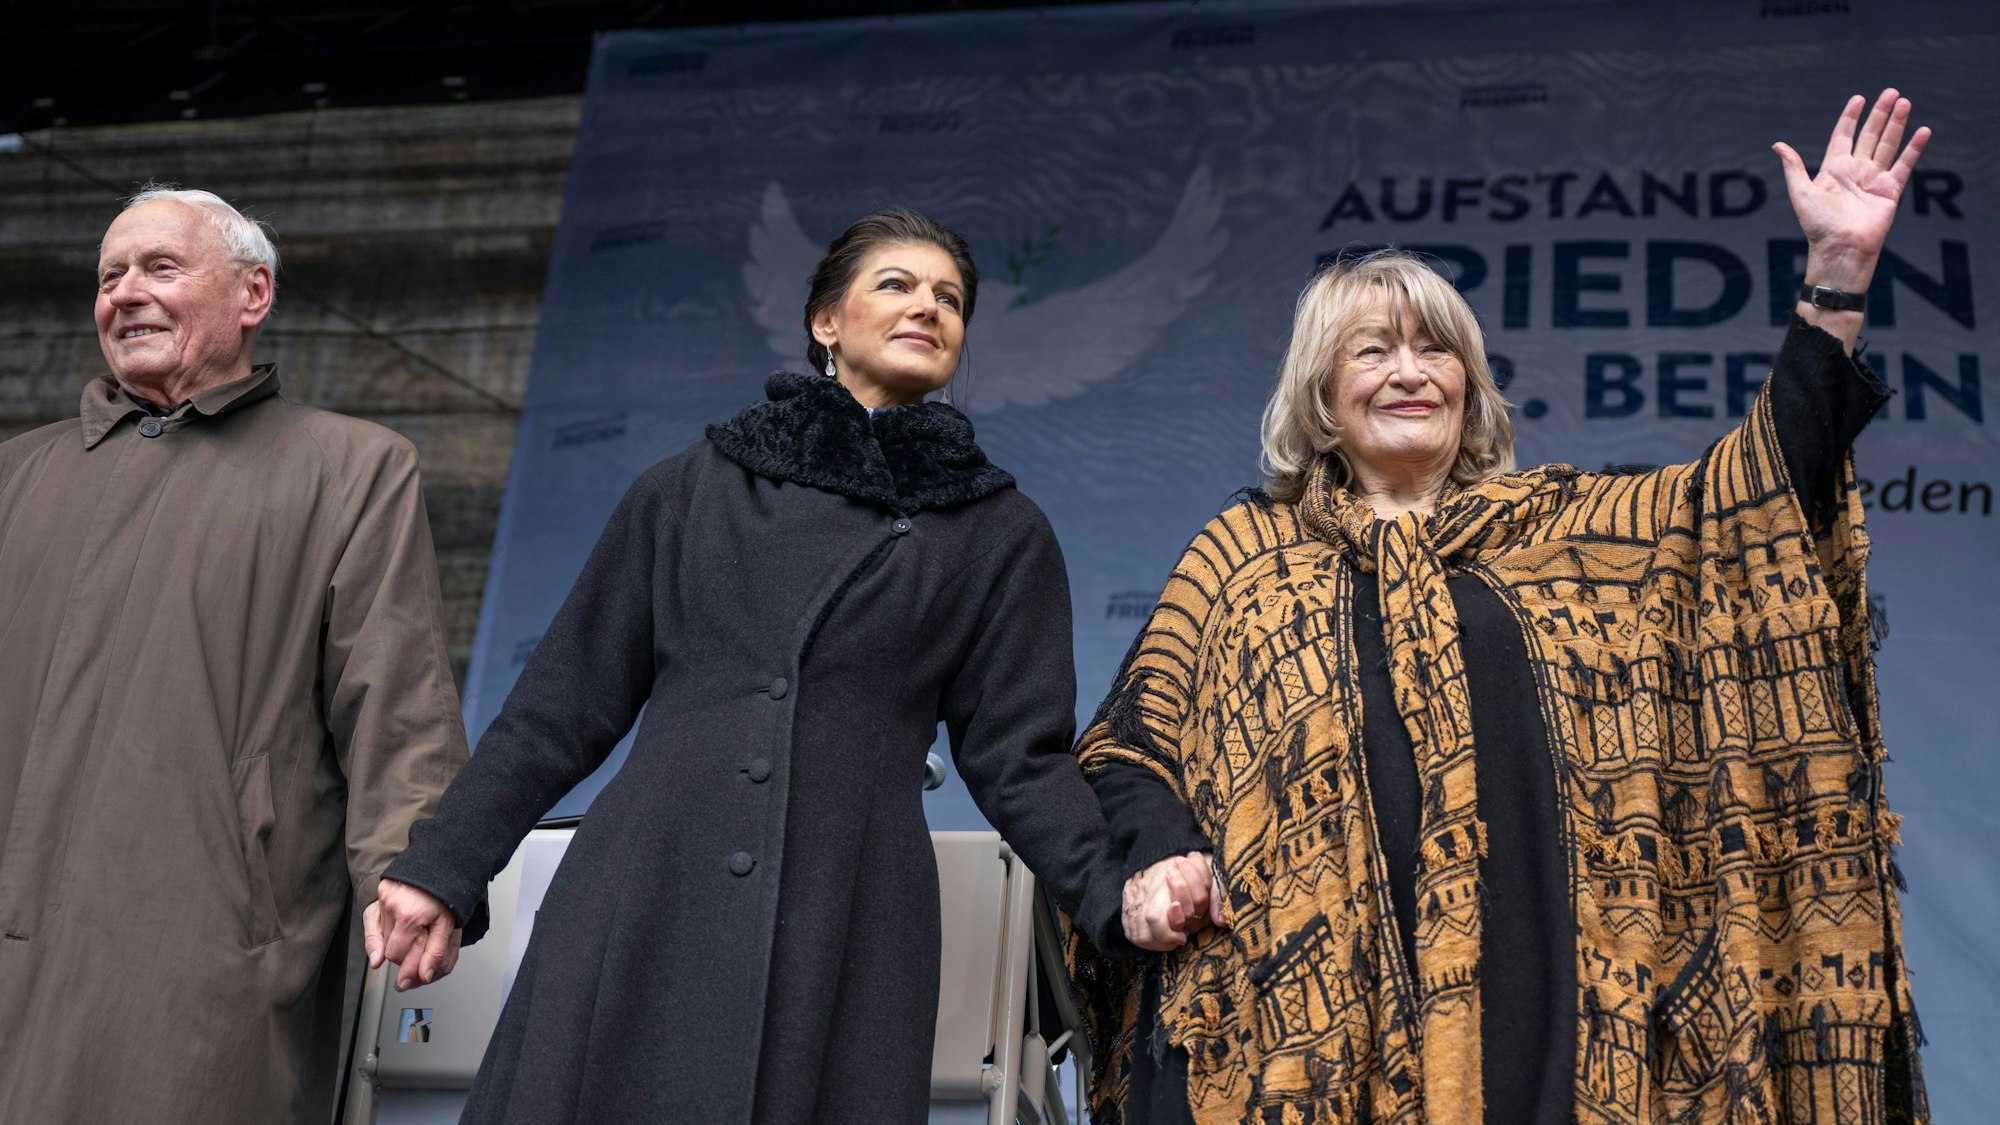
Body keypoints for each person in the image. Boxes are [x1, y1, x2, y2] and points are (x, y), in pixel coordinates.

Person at [1070, 90, 1932, 1124]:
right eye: (1371, 350)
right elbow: (1129, 747)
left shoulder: (1567, 532)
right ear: (1317, 395)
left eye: (1434, 350)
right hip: (1288, 1011)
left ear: (1469, 389)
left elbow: (1746, 498)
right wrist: (1165, 854)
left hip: (1540, 998)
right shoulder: (1243, 552)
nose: (1407, 372)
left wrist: (1834, 280)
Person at [370, 207, 1134, 1123]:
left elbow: (1024, 759)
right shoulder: (690, 487)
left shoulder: (1001, 535)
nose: (928, 308)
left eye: (951, 299)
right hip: (648, 882)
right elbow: (557, 708)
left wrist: (1112, 896)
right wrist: (442, 867)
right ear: (825, 322)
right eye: (896, 284)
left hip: (848, 912)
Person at [0, 186, 473, 1123]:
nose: (124, 293)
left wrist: (423, 867)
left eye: (160, 268)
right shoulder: (18, 476)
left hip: (205, 942)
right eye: (109, 276)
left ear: (253, 294)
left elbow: (395, 696)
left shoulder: (349, 468)